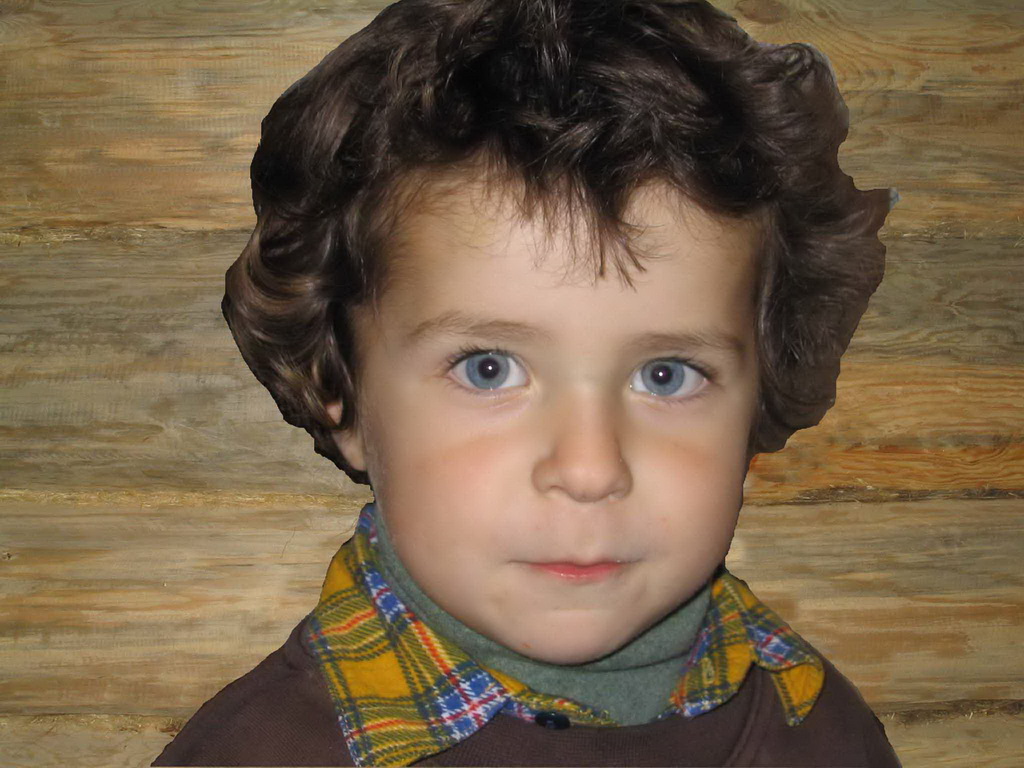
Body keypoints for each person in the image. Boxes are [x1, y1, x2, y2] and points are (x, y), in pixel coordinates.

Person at [153, 0, 901, 765]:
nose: (589, 470)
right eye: (490, 368)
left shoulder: (828, 734)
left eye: (666, 375)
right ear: (338, 390)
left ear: (761, 389)